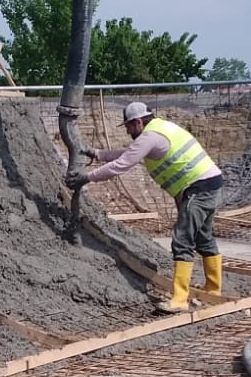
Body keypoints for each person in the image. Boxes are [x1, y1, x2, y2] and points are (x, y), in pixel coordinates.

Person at [66, 100, 225, 313]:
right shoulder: (160, 129)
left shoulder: (149, 137)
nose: (129, 131)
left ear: (138, 122)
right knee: (202, 237)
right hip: (208, 184)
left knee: (183, 239)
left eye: (129, 126)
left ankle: (179, 300)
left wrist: (86, 178)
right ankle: (213, 291)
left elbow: (122, 164)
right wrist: (97, 154)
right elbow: (129, 152)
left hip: (199, 187)